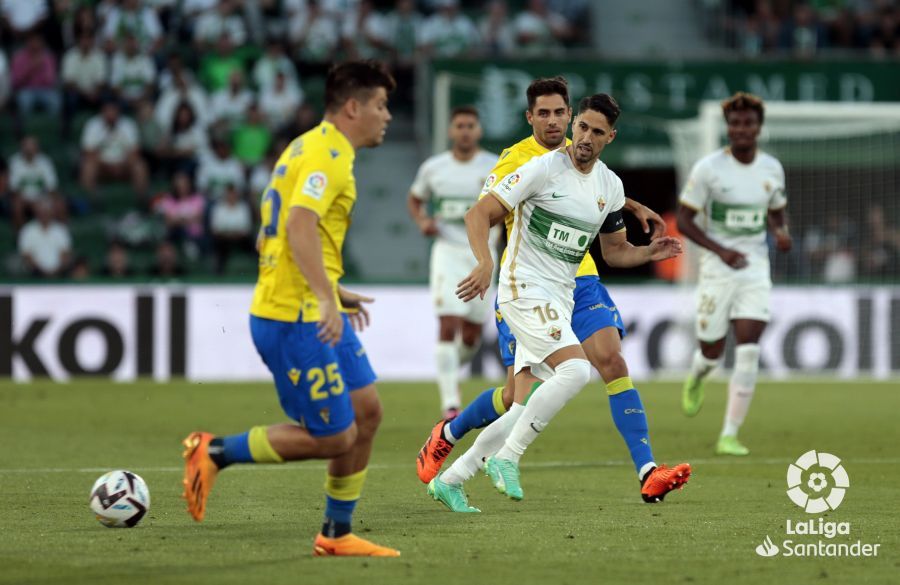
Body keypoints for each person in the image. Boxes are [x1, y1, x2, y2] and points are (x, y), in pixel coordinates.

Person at [417, 77, 687, 508]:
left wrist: (646, 248)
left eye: (563, 114)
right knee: (563, 376)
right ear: (533, 118)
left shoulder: (608, 183)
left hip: (571, 287)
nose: (562, 125)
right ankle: (490, 450)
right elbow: (480, 213)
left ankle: (454, 478)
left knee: (539, 395)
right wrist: (485, 262)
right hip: (524, 286)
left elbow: (614, 247)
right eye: (549, 115)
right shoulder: (531, 164)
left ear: (604, 134)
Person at [181, 60, 400, 558]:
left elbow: (273, 233)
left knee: (367, 412)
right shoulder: (329, 156)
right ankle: (213, 451)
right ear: (353, 107)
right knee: (335, 437)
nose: (387, 116)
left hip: (310, 304)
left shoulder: (303, 146)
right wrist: (323, 296)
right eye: (380, 105)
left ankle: (336, 533)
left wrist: (331, 288)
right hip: (294, 316)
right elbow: (299, 224)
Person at [677, 92, 792, 456]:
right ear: (728, 128)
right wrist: (721, 250)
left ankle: (729, 434)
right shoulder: (709, 168)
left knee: (749, 348)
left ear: (759, 127)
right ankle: (698, 375)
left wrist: (781, 232)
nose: (742, 129)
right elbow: (684, 220)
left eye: (748, 123)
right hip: (717, 268)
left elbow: (776, 210)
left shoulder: (772, 169)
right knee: (711, 351)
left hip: (755, 267)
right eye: (736, 123)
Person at [407, 105, 498, 418]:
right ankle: (450, 404)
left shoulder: (495, 166)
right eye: (460, 125)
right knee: (447, 324)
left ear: (479, 130)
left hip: (483, 256)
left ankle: (447, 369)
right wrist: (422, 221)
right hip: (447, 251)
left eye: (470, 126)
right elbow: (415, 199)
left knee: (471, 335)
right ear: (450, 131)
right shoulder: (434, 168)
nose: (465, 131)